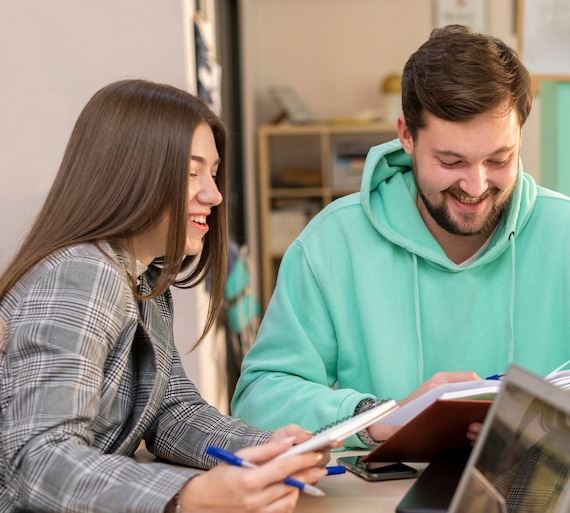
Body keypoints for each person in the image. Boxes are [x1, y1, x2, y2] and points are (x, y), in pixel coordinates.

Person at [231, 25, 570, 458]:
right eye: (450, 161)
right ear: (406, 135)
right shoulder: (332, 243)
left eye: (499, 159)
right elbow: (260, 398)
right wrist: (379, 416)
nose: (476, 186)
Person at [0, 79, 333, 513]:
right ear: (129, 174)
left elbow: (169, 412)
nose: (213, 195)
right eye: (191, 172)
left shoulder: (144, 280)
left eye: (212, 173)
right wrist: (187, 496)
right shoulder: (82, 272)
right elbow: (40, 461)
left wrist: (267, 445)